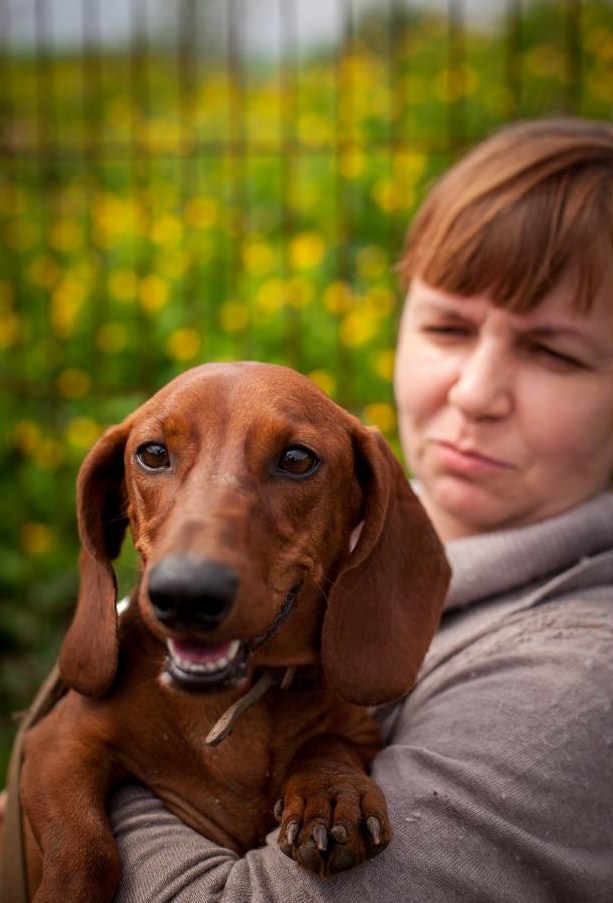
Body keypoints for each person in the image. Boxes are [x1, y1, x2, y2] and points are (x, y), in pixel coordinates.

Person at [107, 116, 613, 901]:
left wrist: (81, 772)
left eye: (553, 352)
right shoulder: (331, 543)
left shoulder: (580, 676)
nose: (473, 393)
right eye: (447, 325)